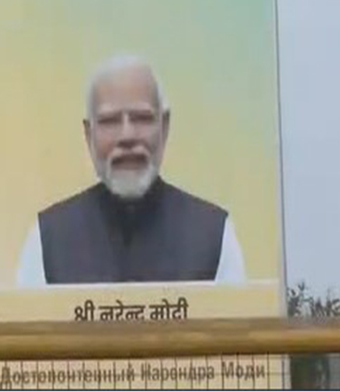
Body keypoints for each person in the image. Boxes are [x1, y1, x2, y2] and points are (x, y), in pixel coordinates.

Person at [15, 54, 247, 286]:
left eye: (141, 118)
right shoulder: (47, 240)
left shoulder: (215, 236)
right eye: (109, 121)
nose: (127, 136)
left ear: (164, 127)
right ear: (89, 134)